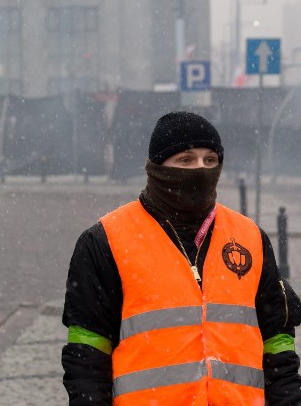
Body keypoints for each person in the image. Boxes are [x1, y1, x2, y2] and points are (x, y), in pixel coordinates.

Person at [62, 111, 301, 405]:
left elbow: (278, 341)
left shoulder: (250, 238)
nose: (201, 169)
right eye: (186, 160)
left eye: (210, 160)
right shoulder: (105, 241)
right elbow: (86, 354)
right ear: (157, 167)